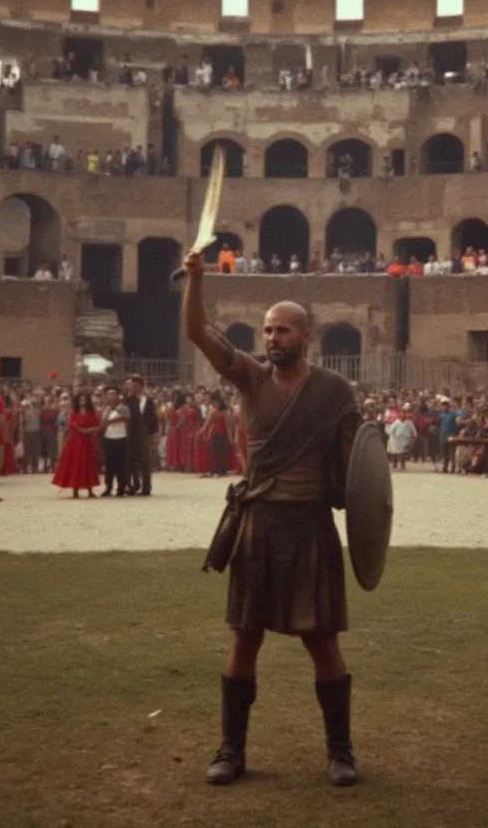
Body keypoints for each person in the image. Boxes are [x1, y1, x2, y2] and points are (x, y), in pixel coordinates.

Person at [183, 247, 362, 787]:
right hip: (259, 522)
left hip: (310, 523)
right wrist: (196, 279)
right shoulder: (251, 380)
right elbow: (199, 333)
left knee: (323, 642)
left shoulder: (334, 392)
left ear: (305, 335)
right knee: (244, 638)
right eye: (266, 331)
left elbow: (357, 467)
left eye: (283, 331)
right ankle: (231, 750)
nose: (272, 339)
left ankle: (340, 752)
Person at [53, 392, 101, 498]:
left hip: (87, 442)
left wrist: (89, 430)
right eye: (80, 399)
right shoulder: (74, 413)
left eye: (84, 399)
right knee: (76, 464)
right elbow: (72, 425)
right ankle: (75, 490)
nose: (82, 401)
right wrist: (82, 430)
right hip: (75, 442)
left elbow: (98, 426)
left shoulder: (92, 413)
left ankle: (90, 490)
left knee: (88, 464)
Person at [125, 374, 159, 496]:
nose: (133, 387)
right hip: (132, 433)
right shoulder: (128, 400)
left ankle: (146, 486)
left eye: (135, 385)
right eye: (131, 385)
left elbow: (153, 417)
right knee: (132, 460)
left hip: (145, 433)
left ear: (141, 386)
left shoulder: (148, 401)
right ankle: (134, 484)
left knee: (145, 461)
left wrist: (155, 432)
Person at [99, 387, 130, 497]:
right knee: (109, 465)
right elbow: (103, 423)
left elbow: (126, 418)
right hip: (109, 438)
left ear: (117, 396)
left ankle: (121, 487)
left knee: (121, 465)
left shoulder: (124, 408)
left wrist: (112, 420)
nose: (110, 397)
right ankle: (108, 487)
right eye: (108, 395)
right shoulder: (106, 409)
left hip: (121, 438)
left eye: (113, 394)